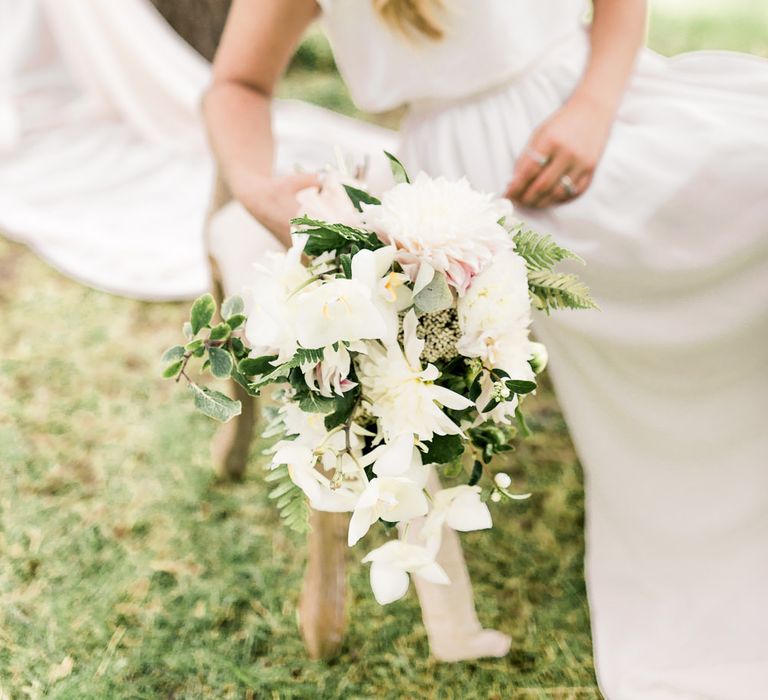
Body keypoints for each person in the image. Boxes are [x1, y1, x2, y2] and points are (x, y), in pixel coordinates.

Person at [204, 1, 768, 696]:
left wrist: (593, 105)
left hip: (612, 99)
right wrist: (258, 188)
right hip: (492, 184)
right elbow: (236, 83)